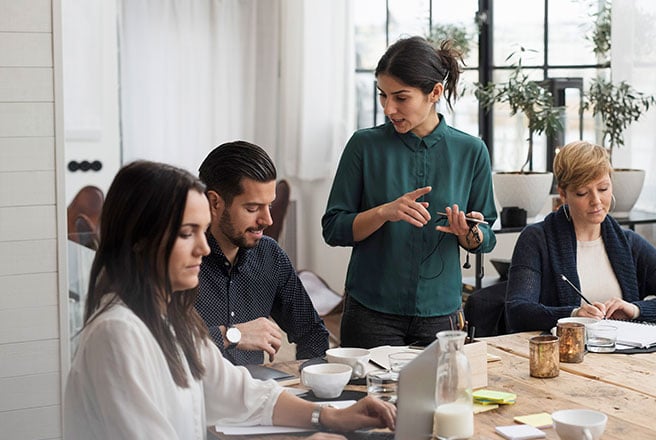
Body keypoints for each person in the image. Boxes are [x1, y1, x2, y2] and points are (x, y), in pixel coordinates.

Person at [64, 160, 396, 439]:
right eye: (186, 233)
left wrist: (330, 417)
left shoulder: (172, 319)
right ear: (139, 240)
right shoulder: (119, 334)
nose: (204, 248)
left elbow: (240, 393)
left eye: (201, 230)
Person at [322, 36, 497, 348]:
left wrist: (467, 232)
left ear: (434, 93)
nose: (389, 108)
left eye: (401, 98)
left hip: (442, 315)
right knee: (367, 397)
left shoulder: (472, 151)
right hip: (370, 313)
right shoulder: (363, 146)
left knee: (441, 398)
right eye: (383, 96)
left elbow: (485, 237)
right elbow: (334, 229)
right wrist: (383, 212)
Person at [504, 141, 656, 332]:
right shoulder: (536, 240)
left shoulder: (628, 243)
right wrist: (573, 315)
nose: (596, 201)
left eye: (603, 188)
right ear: (563, 194)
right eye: (582, 193)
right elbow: (517, 311)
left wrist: (636, 310)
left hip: (623, 355)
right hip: (564, 356)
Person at [196, 141, 329, 365]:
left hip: (256, 395)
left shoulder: (270, 256)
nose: (267, 220)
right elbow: (161, 350)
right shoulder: (180, 262)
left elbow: (313, 333)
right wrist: (232, 335)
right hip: (198, 396)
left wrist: (309, 383)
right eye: (252, 208)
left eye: (269, 205)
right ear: (214, 203)